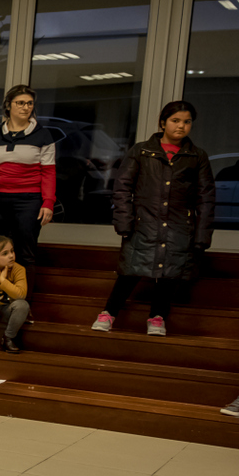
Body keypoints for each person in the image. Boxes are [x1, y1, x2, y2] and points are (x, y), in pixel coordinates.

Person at [90, 101, 215, 338]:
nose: (181, 126)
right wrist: (124, 221)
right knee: (129, 270)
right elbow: (122, 187)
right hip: (143, 223)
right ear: (163, 122)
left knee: (169, 273)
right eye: (175, 120)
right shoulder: (141, 151)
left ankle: (157, 317)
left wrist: (202, 235)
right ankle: (108, 312)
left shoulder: (197, 155)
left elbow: (206, 198)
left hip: (179, 226)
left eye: (187, 122)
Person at [0, 86, 55, 268]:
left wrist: (48, 202)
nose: (26, 107)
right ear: (8, 105)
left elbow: (48, 173)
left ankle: (21, 296)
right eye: (20, 103)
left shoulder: (43, 135)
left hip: (28, 200)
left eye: (30, 103)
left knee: (25, 250)